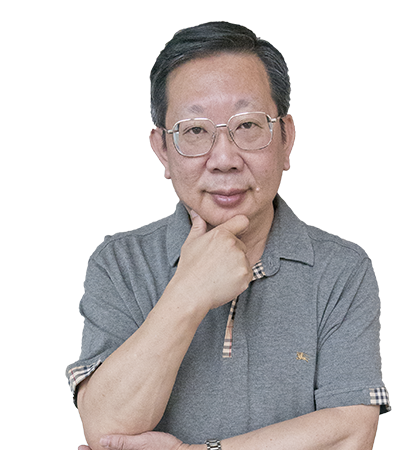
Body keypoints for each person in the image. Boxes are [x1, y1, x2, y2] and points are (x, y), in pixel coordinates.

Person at [67, 21, 390, 450]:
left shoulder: (342, 271)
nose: (224, 158)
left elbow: (350, 434)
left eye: (248, 125)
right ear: (162, 149)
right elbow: (107, 430)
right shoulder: (118, 265)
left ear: (286, 138)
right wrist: (188, 293)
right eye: (195, 131)